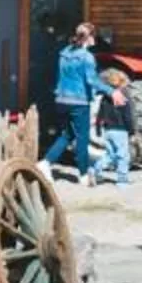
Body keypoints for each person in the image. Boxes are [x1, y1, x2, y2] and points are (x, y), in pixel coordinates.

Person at [42, 22, 100, 175]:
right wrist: (112, 91)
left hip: (61, 100)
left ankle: (45, 162)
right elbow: (92, 81)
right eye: (95, 36)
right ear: (90, 38)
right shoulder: (87, 57)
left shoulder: (64, 53)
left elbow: (58, 77)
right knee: (82, 138)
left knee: (68, 134)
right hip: (79, 102)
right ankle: (84, 174)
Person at [86, 63, 135, 187]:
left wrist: (97, 129)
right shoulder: (123, 96)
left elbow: (99, 116)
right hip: (121, 130)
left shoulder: (105, 98)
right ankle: (122, 180)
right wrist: (132, 131)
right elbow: (127, 115)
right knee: (123, 155)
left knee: (109, 155)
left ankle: (94, 169)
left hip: (107, 130)